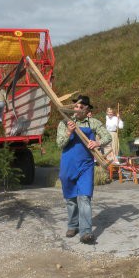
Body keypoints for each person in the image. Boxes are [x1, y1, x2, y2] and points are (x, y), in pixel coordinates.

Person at [56, 95, 111, 244]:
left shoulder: (93, 123)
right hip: (68, 166)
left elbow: (107, 136)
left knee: (84, 197)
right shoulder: (64, 123)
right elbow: (60, 144)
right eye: (76, 106)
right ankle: (73, 225)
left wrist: (97, 142)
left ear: (87, 109)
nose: (78, 109)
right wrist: (68, 132)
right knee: (71, 199)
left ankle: (86, 232)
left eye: (82, 107)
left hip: (85, 166)